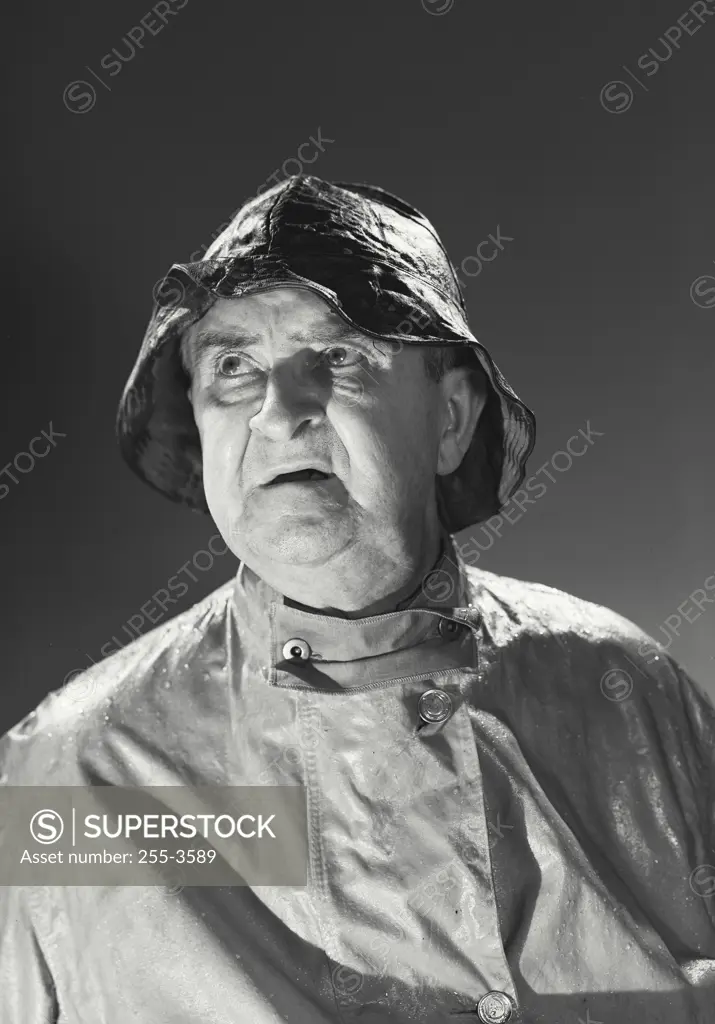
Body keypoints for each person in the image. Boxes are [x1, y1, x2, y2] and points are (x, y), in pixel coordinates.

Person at [1, 175, 713, 1024]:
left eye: (337, 357)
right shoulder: (68, 777)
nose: (279, 412)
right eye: (234, 367)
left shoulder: (626, 688)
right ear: (198, 419)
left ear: (449, 419)